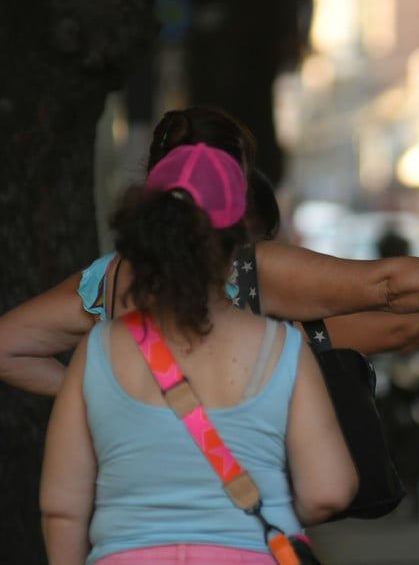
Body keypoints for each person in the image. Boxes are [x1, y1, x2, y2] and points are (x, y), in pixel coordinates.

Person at [0, 106, 419, 397]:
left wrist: (103, 403)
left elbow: (8, 347)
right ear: (238, 188)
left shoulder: (106, 283)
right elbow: (391, 291)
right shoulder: (253, 272)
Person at [40, 143, 357, 563]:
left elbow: (61, 507)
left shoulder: (96, 351)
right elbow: (327, 492)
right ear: (237, 244)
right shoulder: (281, 348)